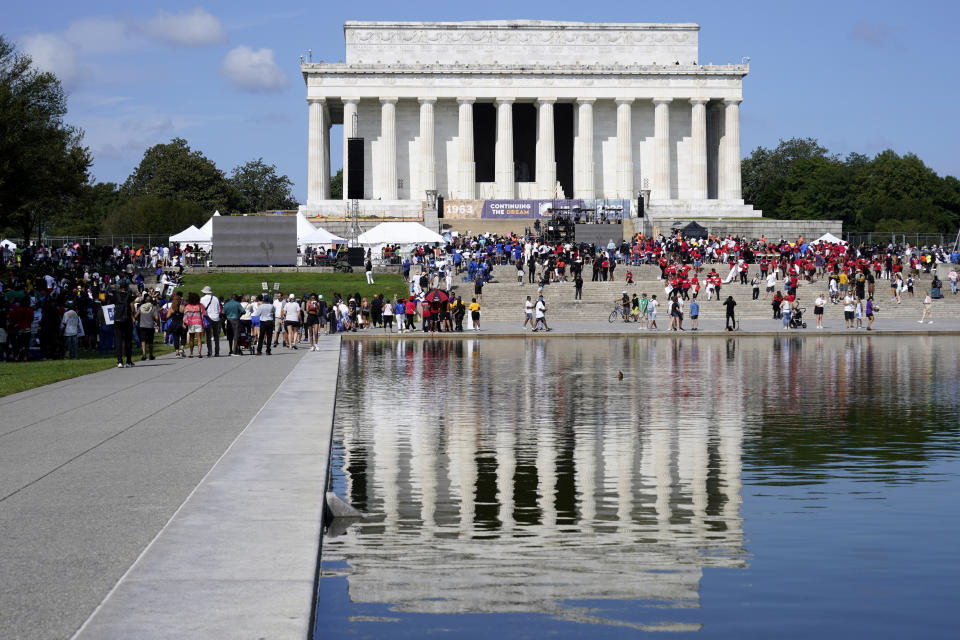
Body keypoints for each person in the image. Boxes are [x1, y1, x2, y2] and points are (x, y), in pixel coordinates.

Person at [134, 294, 159, 361]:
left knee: (143, 340)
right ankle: (151, 355)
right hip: (150, 326)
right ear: (151, 301)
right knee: (150, 341)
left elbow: (136, 316)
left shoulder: (141, 307)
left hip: (142, 326)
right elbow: (156, 317)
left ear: (145, 300)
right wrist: (156, 322)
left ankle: (144, 354)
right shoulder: (153, 307)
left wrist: (139, 320)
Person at [200, 285, 222, 357]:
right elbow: (219, 309)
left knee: (208, 336)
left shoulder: (202, 299)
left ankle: (210, 351)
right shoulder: (215, 298)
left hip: (208, 318)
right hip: (216, 318)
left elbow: (201, 309)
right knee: (216, 336)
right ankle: (217, 352)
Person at [183, 292, 205, 358]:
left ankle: (191, 353)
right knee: (199, 339)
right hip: (199, 323)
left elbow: (185, 316)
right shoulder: (200, 306)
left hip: (191, 324)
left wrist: (185, 323)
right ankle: (199, 353)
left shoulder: (187, 306)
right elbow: (203, 315)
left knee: (191, 339)